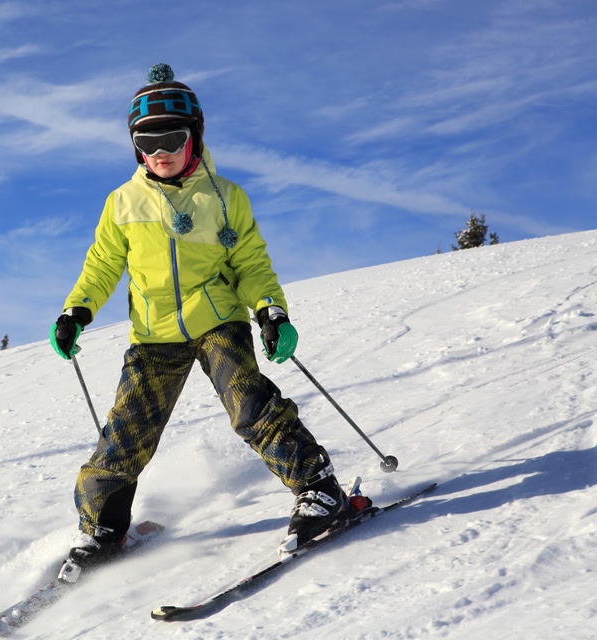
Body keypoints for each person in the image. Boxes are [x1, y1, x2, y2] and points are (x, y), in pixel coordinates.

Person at [50, 63, 357, 575]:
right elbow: (102, 264)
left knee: (250, 406)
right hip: (153, 334)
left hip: (217, 320)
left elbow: (251, 263)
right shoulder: (122, 203)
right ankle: (103, 527)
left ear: (194, 136)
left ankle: (318, 490)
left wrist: (271, 312)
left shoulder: (225, 197)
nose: (160, 152)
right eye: (146, 142)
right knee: (126, 433)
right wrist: (75, 311)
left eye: (171, 137)